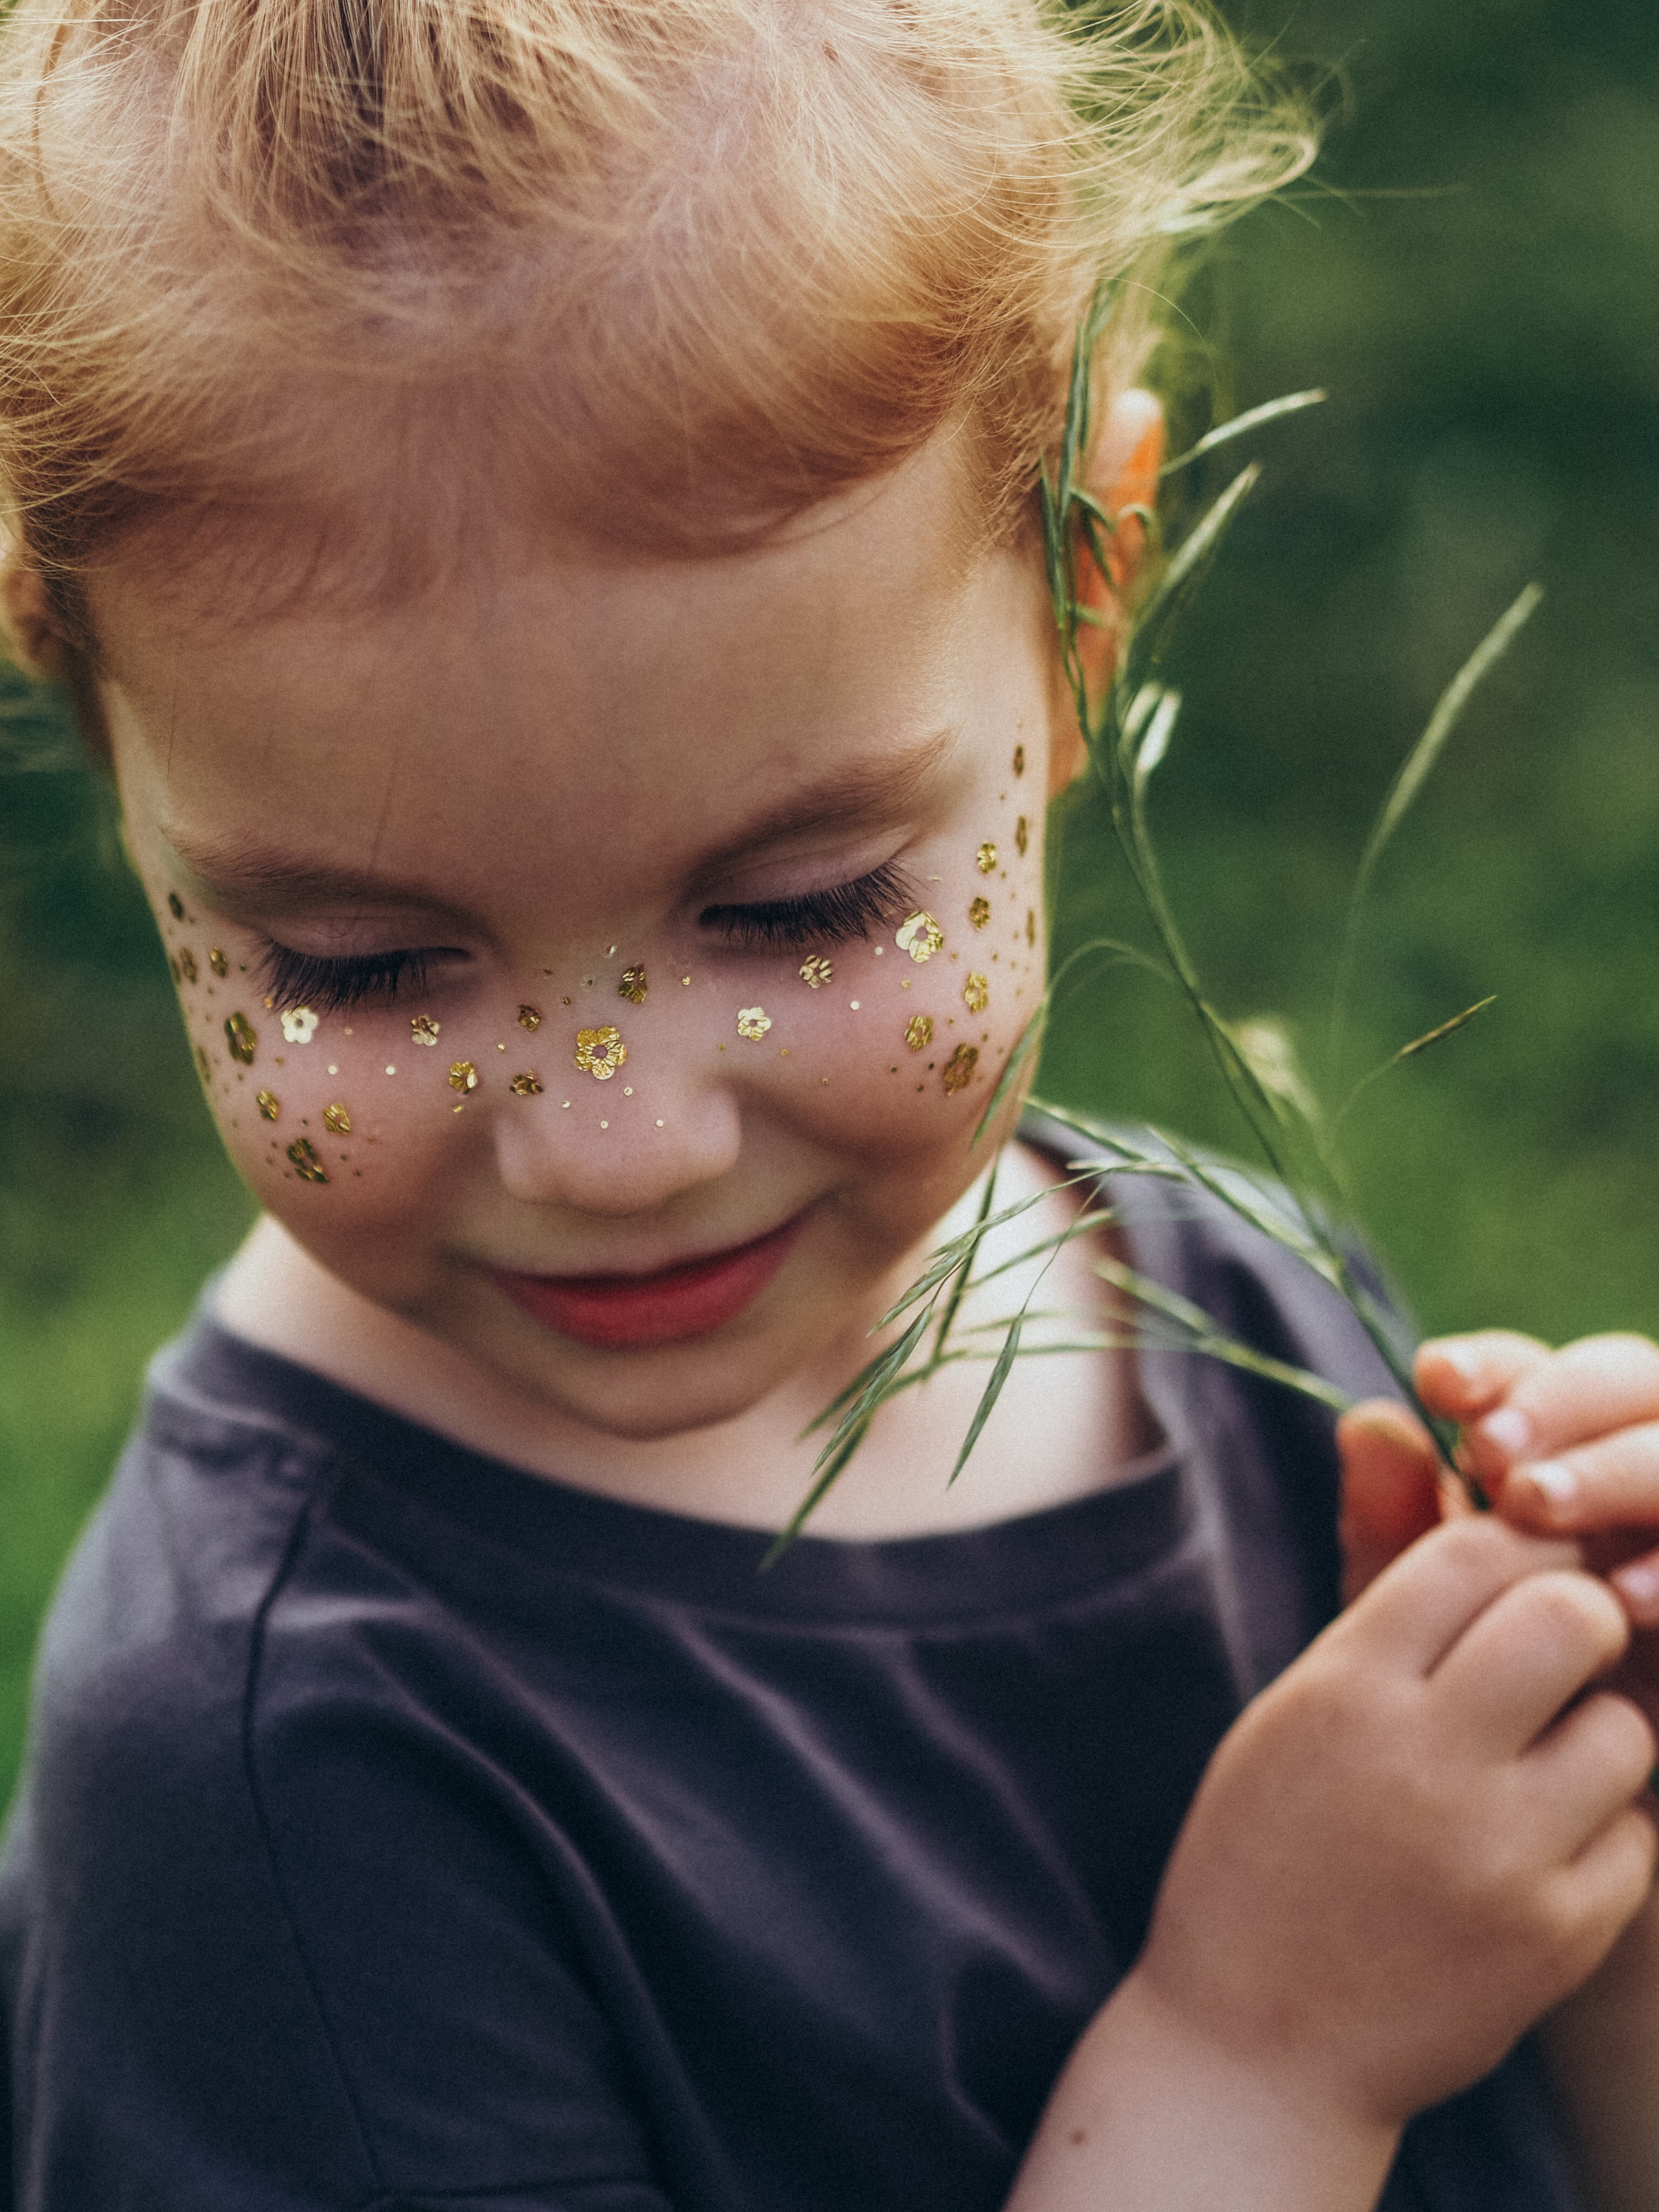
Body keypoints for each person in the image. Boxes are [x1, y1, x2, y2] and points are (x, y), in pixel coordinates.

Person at [0, 1, 1656, 2206]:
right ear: (99, 708)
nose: (620, 1146)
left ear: (1079, 605)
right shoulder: (270, 1798)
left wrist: (1606, 1853)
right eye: (360, 966)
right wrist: (1268, 2053)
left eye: (796, 910)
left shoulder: (1236, 1298)